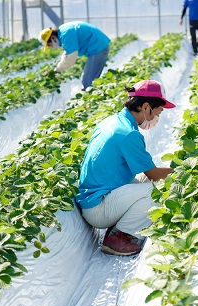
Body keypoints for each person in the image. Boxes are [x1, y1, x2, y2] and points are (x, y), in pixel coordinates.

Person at [75, 79, 175, 255]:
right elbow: (153, 174)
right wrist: (184, 172)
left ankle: (120, 224)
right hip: (98, 208)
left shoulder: (113, 121)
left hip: (93, 197)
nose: (155, 119)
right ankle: (119, 237)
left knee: (147, 180)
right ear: (145, 107)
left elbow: (147, 173)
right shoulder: (128, 134)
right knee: (158, 190)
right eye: (157, 113)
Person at [39, 21, 111, 90]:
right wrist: (57, 68)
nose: (50, 47)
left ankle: (92, 99)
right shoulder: (63, 32)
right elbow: (67, 53)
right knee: (88, 80)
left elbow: (70, 58)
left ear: (53, 38)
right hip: (98, 46)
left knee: (88, 82)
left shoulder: (66, 34)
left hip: (98, 47)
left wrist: (56, 71)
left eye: (49, 45)